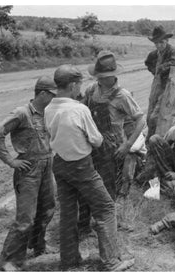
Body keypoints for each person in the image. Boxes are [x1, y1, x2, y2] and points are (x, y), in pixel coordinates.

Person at [44, 64, 134, 271]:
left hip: (59, 165)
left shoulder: (49, 107)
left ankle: (68, 260)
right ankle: (111, 260)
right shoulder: (79, 109)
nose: (80, 89)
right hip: (81, 166)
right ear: (73, 85)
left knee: (67, 213)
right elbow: (97, 140)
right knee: (106, 207)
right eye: (79, 85)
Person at [0, 76, 57, 271]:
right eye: (53, 94)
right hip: (29, 170)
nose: (55, 98)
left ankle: (38, 245)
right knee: (25, 218)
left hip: (46, 164)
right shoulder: (22, 113)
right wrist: (10, 160)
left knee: (47, 209)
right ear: (43, 94)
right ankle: (8, 260)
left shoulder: (48, 112)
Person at [82, 50, 144, 201]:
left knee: (108, 184)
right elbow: (81, 109)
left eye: (102, 76)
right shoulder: (92, 89)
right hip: (91, 142)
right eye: (98, 76)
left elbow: (141, 120)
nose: (99, 79)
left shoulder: (122, 95)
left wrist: (127, 145)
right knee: (90, 181)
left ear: (112, 75)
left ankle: (109, 214)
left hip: (111, 147)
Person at [144, 25, 175, 140]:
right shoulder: (154, 54)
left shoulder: (172, 51)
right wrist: (154, 71)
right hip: (156, 85)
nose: (159, 45)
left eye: (162, 42)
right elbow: (148, 63)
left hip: (169, 86)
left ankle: (159, 140)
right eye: (156, 43)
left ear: (167, 41)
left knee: (158, 117)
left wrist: (161, 68)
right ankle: (150, 140)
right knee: (149, 115)